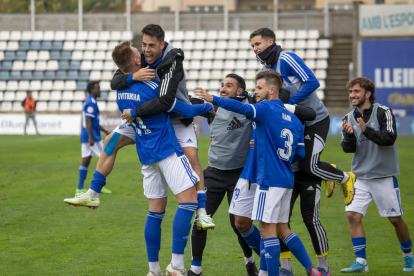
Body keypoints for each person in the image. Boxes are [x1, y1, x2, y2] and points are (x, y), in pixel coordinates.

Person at [67, 41, 213, 276]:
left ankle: (153, 270)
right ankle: (177, 264)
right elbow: (182, 110)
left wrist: (130, 81)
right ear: (136, 61)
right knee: (188, 201)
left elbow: (119, 79)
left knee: (154, 212)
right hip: (166, 149)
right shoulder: (153, 86)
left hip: (146, 156)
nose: (142, 51)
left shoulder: (121, 92)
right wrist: (206, 105)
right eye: (138, 51)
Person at [249, 27, 356, 275]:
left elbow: (313, 82)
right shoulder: (267, 67)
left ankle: (345, 178)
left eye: (258, 44)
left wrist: (287, 105)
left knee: (309, 166)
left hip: (316, 119)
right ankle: (288, 268)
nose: (255, 49)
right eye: (252, 45)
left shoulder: (286, 58)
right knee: (297, 169)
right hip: (299, 123)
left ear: (270, 41)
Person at [196, 69, 323, 276]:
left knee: (267, 230)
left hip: (267, 178)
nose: (255, 92)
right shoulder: (293, 120)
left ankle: (266, 272)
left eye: (259, 88)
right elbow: (299, 152)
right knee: (275, 227)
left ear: (272, 90)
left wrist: (214, 99)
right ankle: (311, 269)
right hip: (278, 177)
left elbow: (239, 106)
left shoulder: (264, 108)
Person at [112, 24, 215, 230]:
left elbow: (167, 101)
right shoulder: (139, 58)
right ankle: (93, 191)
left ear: (162, 44)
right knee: (109, 142)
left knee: (192, 158)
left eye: (151, 45)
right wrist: (132, 76)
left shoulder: (172, 59)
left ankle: (202, 212)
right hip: (154, 118)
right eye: (143, 45)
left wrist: (133, 112)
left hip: (175, 113)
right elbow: (115, 81)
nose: (146, 50)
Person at [340, 77, 414, 273]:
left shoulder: (384, 112)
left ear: (368, 93)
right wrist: (348, 136)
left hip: (384, 176)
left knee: (395, 220)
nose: (352, 95)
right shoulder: (347, 117)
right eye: (351, 92)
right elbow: (348, 149)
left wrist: (366, 130)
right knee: (352, 215)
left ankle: (408, 256)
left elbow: (389, 138)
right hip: (360, 177)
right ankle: (361, 262)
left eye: (356, 92)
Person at [75, 81, 111, 195]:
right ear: (91, 90)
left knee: (86, 160)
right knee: (105, 159)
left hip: (86, 136)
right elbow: (88, 121)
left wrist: (105, 131)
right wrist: (91, 137)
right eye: (97, 88)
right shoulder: (91, 103)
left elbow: (93, 122)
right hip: (93, 137)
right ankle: (98, 186)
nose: (99, 90)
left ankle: (80, 187)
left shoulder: (91, 102)